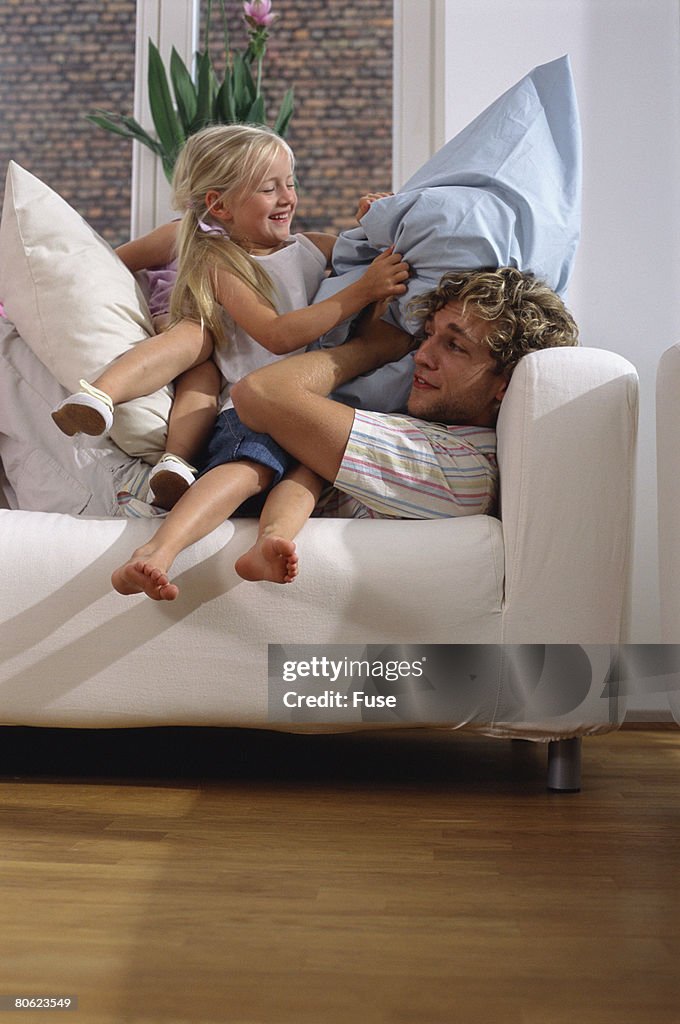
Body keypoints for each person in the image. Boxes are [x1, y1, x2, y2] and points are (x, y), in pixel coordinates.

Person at [110, 266, 578, 600]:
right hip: (152, 474)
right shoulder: (413, 426)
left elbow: (262, 393)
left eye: (454, 345)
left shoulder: (462, 469)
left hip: (124, 492)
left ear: (505, 383)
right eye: (427, 336)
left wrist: (370, 350)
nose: (420, 355)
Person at [51, 125, 406, 513]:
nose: (287, 197)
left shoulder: (311, 246)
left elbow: (368, 259)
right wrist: (364, 290)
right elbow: (278, 334)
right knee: (243, 456)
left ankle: (177, 485)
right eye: (269, 189)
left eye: (290, 183)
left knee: (288, 479)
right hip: (245, 406)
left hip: (306, 400)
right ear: (219, 206)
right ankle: (107, 405)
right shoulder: (219, 263)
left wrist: (376, 219)